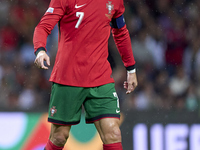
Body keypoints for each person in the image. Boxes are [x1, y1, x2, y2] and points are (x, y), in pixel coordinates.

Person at [33, 0, 137, 149]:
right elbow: (43, 27)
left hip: (100, 78)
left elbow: (121, 32)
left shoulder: (114, 2)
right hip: (68, 77)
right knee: (59, 136)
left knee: (113, 133)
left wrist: (131, 69)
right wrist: (40, 50)